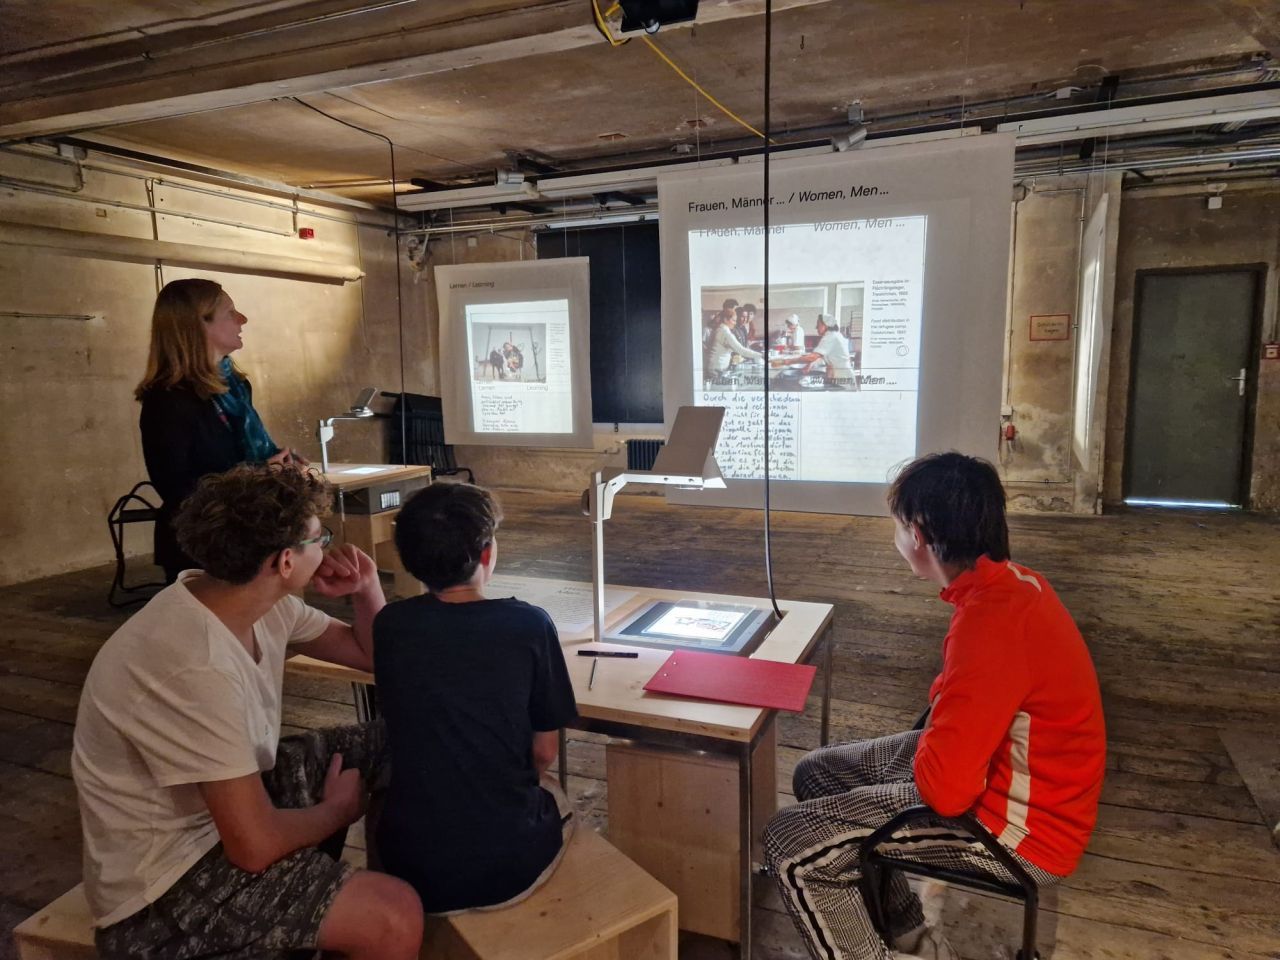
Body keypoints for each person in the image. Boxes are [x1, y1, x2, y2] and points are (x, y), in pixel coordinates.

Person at [763, 453, 1105, 960]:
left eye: (898, 525)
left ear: (918, 536)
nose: (896, 538)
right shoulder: (1009, 585)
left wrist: (921, 758)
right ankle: (910, 935)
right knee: (818, 773)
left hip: (1024, 829)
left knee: (791, 843)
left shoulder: (990, 626)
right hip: (1005, 776)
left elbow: (945, 792)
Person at [72, 465, 422, 960]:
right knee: (394, 916)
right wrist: (337, 812)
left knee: (395, 740)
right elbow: (252, 846)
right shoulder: (194, 665)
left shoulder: (253, 600)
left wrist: (366, 588)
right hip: (161, 897)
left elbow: (371, 654)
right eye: (319, 538)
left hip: (220, 821)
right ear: (284, 561)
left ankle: (338, 902)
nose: (326, 547)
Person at [374, 482, 578, 914]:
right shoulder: (529, 625)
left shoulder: (391, 625)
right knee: (557, 794)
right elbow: (544, 752)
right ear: (487, 555)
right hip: (507, 868)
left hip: (407, 862)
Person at [136, 278, 305, 583]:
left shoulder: (236, 386)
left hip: (249, 532)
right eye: (230, 312)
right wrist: (257, 474)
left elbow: (242, 453)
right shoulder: (168, 399)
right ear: (198, 324)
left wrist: (280, 462)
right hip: (203, 543)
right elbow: (177, 489)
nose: (242, 319)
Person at [772, 313, 854, 389]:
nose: (816, 327)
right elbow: (821, 356)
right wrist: (810, 365)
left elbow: (813, 357)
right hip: (840, 377)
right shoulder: (833, 335)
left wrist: (787, 361)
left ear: (825, 325)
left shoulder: (831, 337)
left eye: (818, 325)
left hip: (843, 379)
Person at [707, 309, 764, 383]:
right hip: (717, 369)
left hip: (715, 367)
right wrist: (761, 355)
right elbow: (741, 350)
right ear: (725, 320)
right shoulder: (724, 332)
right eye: (733, 320)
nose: (735, 323)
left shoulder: (720, 329)